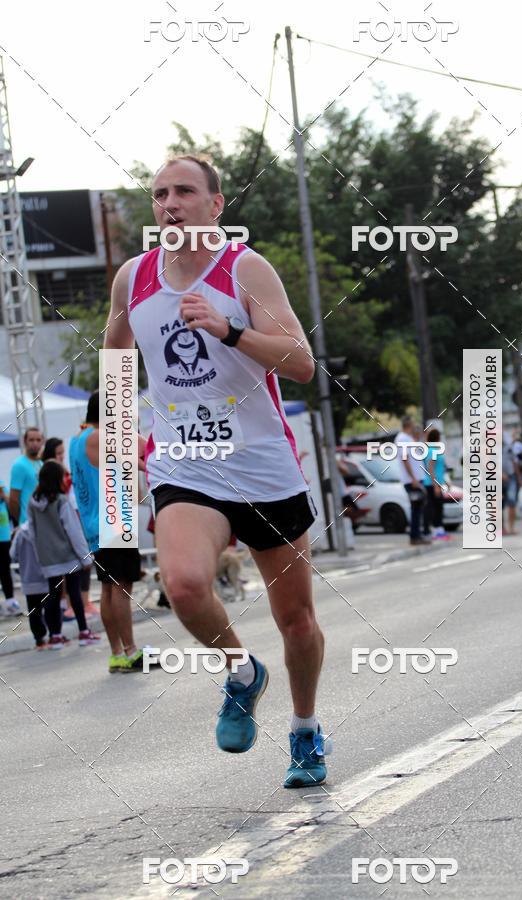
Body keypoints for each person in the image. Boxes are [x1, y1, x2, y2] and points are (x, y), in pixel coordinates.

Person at [103, 154, 329, 787]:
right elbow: (115, 361)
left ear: (215, 204)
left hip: (262, 468)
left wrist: (229, 330)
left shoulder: (245, 270)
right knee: (183, 584)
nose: (169, 203)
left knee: (297, 621)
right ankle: (240, 668)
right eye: (159, 194)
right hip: (185, 464)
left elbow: (300, 362)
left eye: (184, 191)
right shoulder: (134, 279)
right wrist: (121, 443)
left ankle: (306, 732)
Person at [70, 392, 144, 673]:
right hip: (114, 521)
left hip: (95, 523)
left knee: (108, 587)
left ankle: (116, 653)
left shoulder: (78, 439)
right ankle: (131, 650)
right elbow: (137, 460)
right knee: (121, 588)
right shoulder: (98, 436)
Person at [27, 461, 100, 649]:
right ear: (56, 479)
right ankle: (83, 632)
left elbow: (32, 533)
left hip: (48, 558)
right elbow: (73, 531)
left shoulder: (32, 503)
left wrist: (40, 556)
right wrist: (85, 557)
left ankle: (55, 636)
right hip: (68, 556)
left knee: (53, 594)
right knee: (74, 592)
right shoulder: (61, 501)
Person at [43, 436, 99, 621]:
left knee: (78, 564)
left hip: (75, 514)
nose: (61, 456)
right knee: (76, 564)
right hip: (69, 517)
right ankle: (74, 604)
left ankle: (81, 602)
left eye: (62, 453)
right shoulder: (53, 470)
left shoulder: (60, 469)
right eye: (58, 453)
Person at [10, 521, 50, 648]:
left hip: (28, 580)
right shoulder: (44, 528)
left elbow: (12, 554)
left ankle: (39, 639)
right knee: (49, 608)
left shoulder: (20, 533)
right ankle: (54, 635)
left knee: (34, 611)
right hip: (46, 577)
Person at [395, 415, 430, 547]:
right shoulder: (402, 439)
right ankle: (415, 536)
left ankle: (417, 535)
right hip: (412, 480)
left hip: (416, 478)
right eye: (413, 423)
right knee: (416, 508)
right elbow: (405, 459)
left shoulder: (407, 438)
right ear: (408, 425)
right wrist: (413, 478)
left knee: (418, 508)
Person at [9, 427, 43, 526]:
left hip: (42, 522)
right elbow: (13, 499)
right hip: (28, 524)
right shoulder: (19, 465)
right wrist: (21, 520)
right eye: (31, 440)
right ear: (25, 442)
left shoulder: (41, 463)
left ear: (42, 442)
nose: (35, 443)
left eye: (38, 440)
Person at [422, 428, 450, 540]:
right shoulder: (432, 450)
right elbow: (431, 469)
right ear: (436, 437)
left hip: (437, 482)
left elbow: (440, 469)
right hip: (432, 484)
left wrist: (445, 481)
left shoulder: (434, 450)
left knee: (438, 507)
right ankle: (435, 531)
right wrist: (435, 486)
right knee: (434, 507)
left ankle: (439, 530)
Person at [0, 477, 19, 616]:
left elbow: (10, 503)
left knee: (5, 569)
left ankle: (10, 601)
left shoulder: (2, 484)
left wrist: (3, 495)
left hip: (4, 535)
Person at [502, 432, 521, 535]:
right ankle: (501, 529)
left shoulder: (509, 447)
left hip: (511, 477)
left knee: (512, 502)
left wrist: (519, 478)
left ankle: (511, 528)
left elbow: (515, 462)